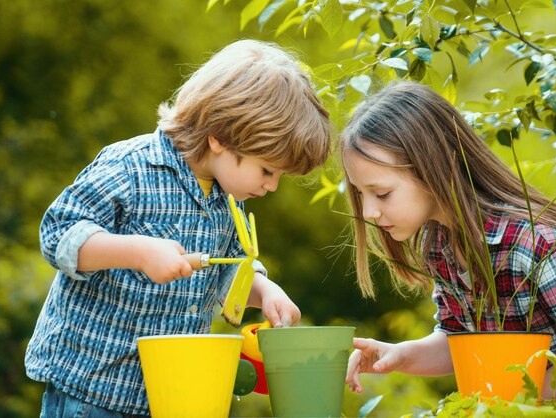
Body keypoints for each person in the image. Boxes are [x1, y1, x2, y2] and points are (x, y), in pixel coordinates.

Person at [25, 39, 332, 417]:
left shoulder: (226, 201)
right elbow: (58, 234)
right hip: (91, 393)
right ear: (219, 136)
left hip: (170, 397)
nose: (271, 186)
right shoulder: (132, 168)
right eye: (267, 170)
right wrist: (138, 252)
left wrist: (264, 290)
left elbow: (224, 271)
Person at [341, 81, 556, 401]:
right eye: (360, 194)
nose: (369, 211)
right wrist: (399, 355)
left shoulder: (531, 243)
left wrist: (521, 401)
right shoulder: (439, 244)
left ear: (433, 167)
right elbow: (459, 341)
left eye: (382, 193)